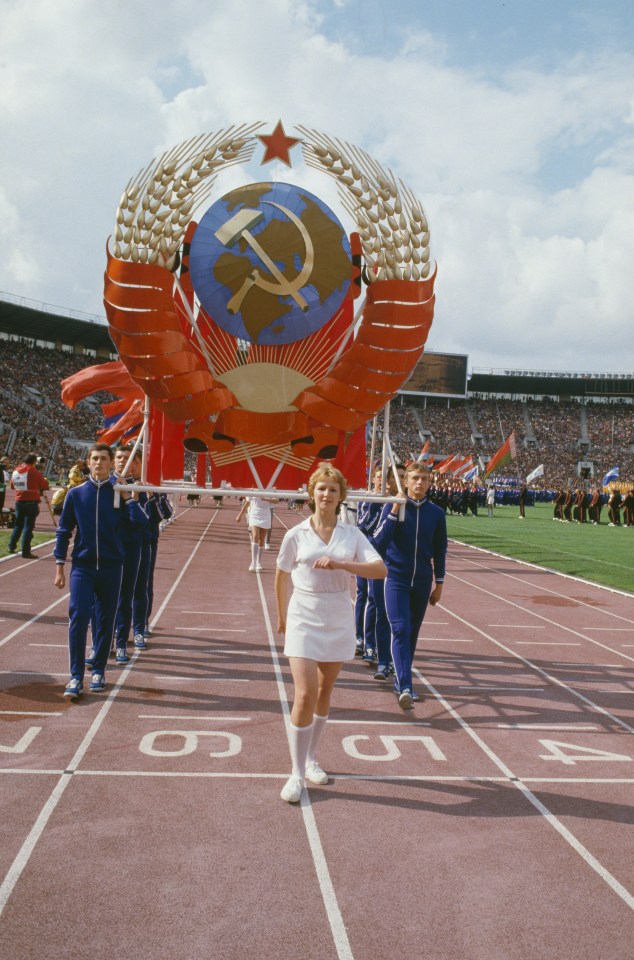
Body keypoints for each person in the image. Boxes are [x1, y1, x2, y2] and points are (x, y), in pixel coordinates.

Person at [275, 463, 387, 803]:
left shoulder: (352, 535)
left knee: (325, 691)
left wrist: (342, 564)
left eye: (333, 490)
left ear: (341, 497)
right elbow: (281, 576)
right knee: (305, 693)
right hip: (303, 615)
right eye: (321, 489)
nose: (326, 494)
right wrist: (282, 617)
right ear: (312, 493)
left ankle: (311, 759)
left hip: (338, 612)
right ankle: (295, 774)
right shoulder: (296, 534)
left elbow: (379, 569)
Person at [53, 443, 147, 699]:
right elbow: (63, 531)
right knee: (79, 616)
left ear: (110, 463)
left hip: (111, 566)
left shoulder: (118, 493)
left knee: (105, 620)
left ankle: (99, 670)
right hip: (82, 566)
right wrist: (60, 565)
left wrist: (128, 498)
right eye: (94, 459)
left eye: (103, 459)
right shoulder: (75, 494)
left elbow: (141, 524)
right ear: (88, 462)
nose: (98, 463)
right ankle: (74, 676)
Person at [373, 462, 447, 710]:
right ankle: (405, 685)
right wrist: (394, 511)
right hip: (396, 578)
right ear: (406, 481)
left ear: (429, 482)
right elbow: (378, 544)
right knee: (401, 628)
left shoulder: (436, 513)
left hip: (423, 581)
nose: (419, 483)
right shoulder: (393, 507)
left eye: (424, 479)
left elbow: (440, 550)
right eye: (415, 478)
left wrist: (439, 583)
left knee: (412, 633)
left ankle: (401, 679)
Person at [8, 453, 49, 558]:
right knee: (28, 527)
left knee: (18, 525)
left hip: (19, 501)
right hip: (31, 502)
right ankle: (26, 552)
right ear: (34, 462)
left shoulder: (15, 471)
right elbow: (44, 485)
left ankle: (11, 546)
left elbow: (12, 486)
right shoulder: (34, 472)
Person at [236, 494, 278, 572]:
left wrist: (266, 498)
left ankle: (258, 562)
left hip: (265, 515)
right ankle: (253, 562)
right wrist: (240, 515)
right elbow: (247, 503)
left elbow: (276, 500)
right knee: (255, 536)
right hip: (254, 514)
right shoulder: (253, 489)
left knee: (261, 539)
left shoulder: (270, 488)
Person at [0, 456, 9, 527]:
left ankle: (1, 520)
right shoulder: (2, 469)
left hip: (3, 487)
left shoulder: (4, 469)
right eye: (6, 461)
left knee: (1, 504)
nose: (7, 462)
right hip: (1, 488)